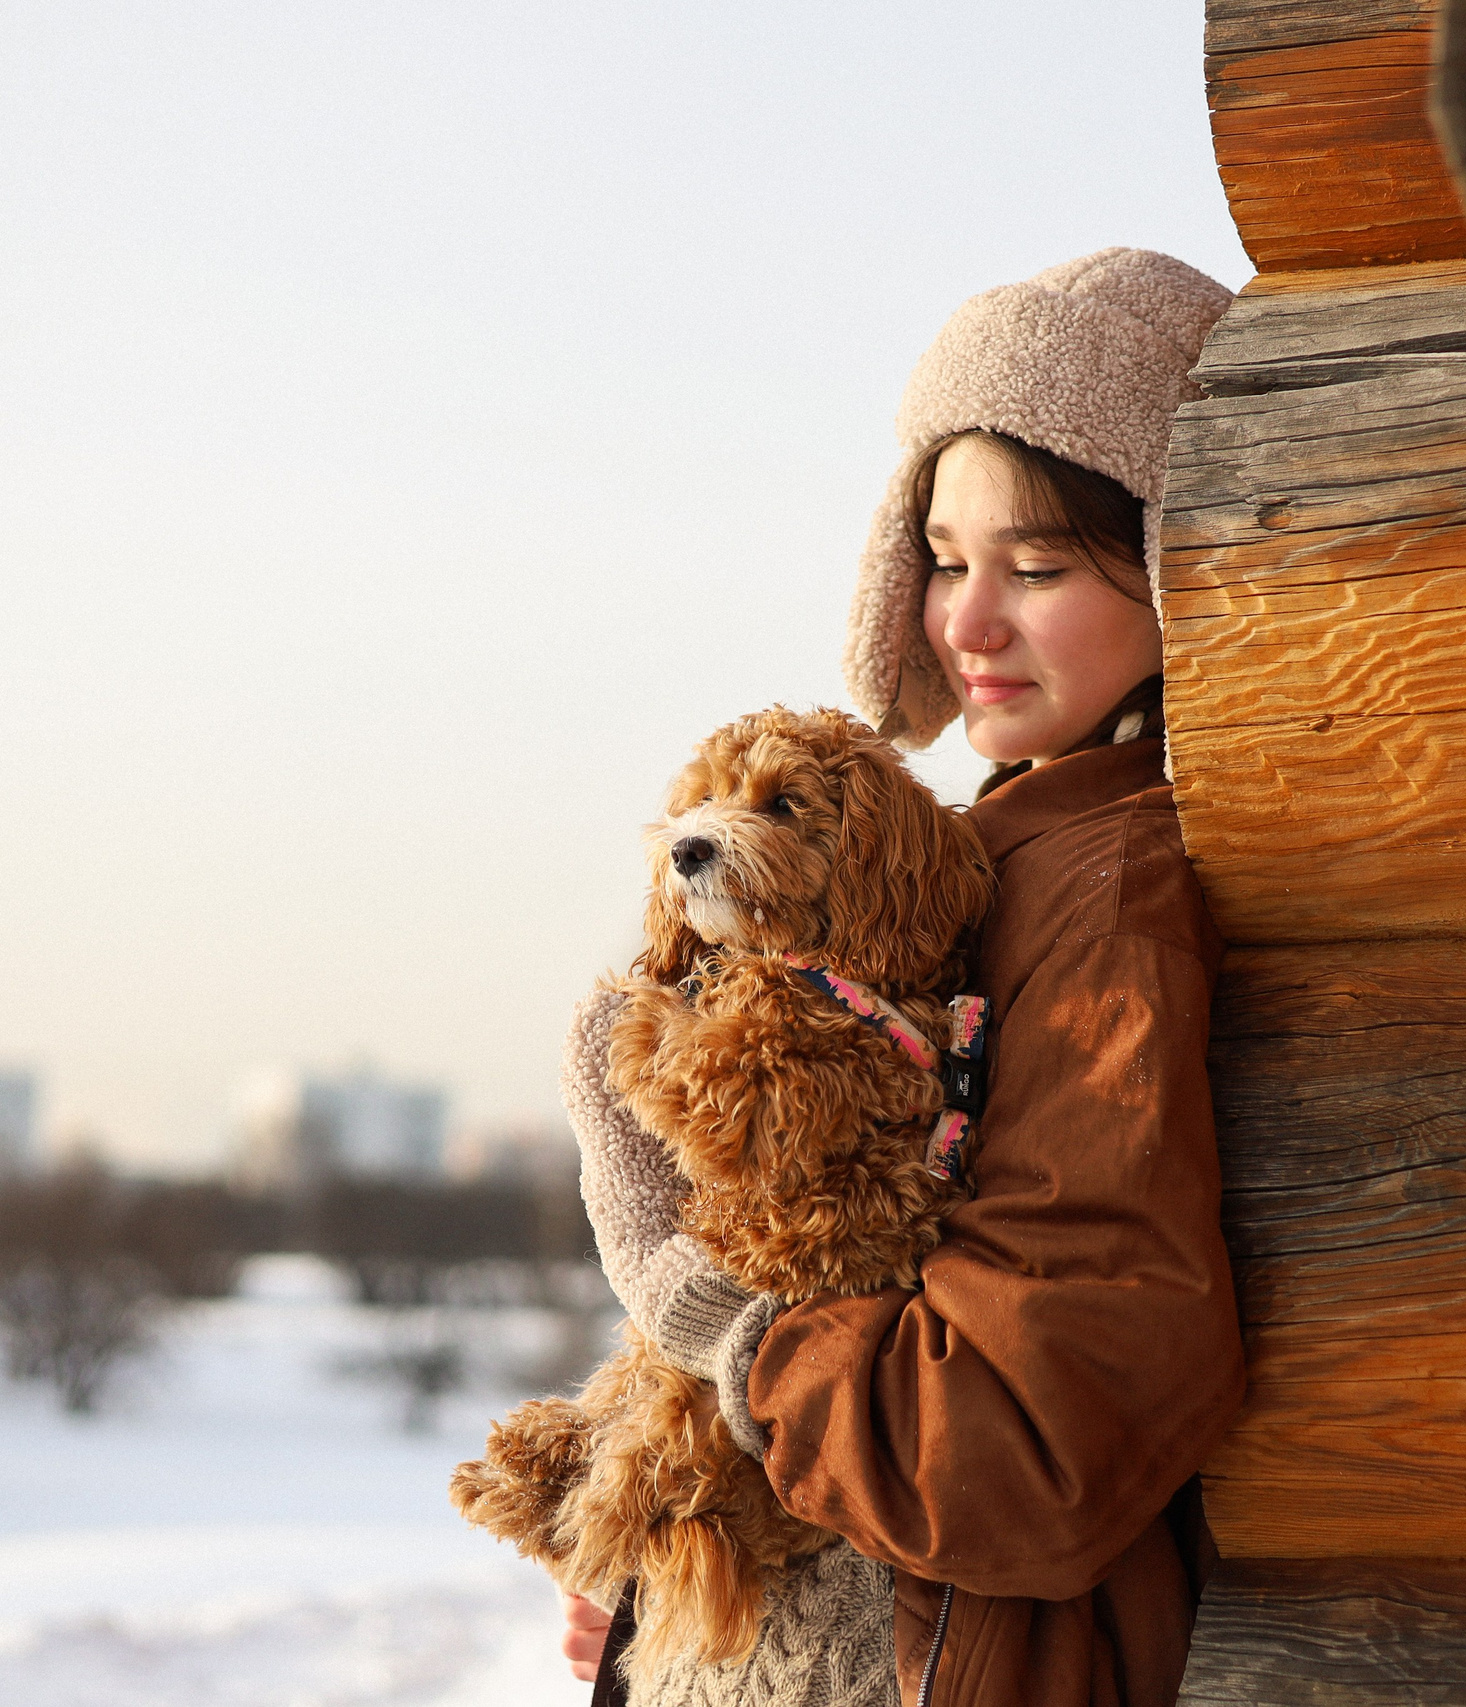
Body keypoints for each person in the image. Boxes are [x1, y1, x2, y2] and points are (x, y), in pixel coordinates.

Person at [564, 248, 1246, 1707]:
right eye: (944, 559)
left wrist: (723, 1330)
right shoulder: (973, 862)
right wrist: (669, 1556)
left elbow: (1025, 1449)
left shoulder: (1111, 902)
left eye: (1041, 567)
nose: (971, 623)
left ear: (1184, 565)